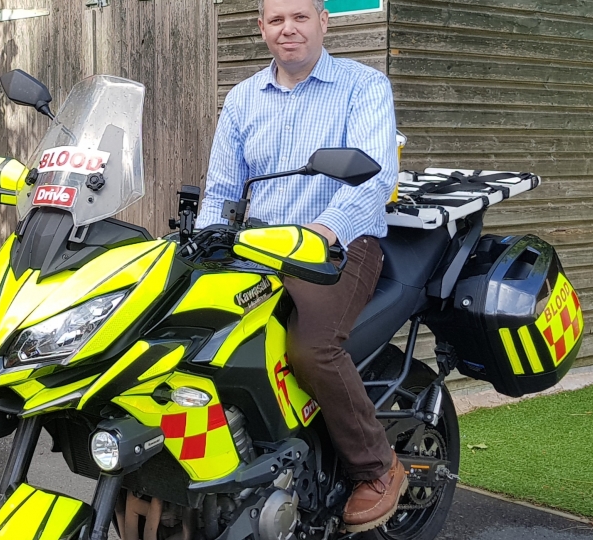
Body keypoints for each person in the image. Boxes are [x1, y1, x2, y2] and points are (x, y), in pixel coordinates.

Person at [195, 0, 405, 531]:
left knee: (309, 346)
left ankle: (377, 466)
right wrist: (205, 243)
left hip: (340, 245)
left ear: (323, 22)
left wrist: (321, 232)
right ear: (262, 28)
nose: (288, 29)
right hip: (258, 251)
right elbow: (220, 190)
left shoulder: (363, 86)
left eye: (300, 17)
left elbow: (373, 179)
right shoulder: (242, 99)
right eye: (276, 20)